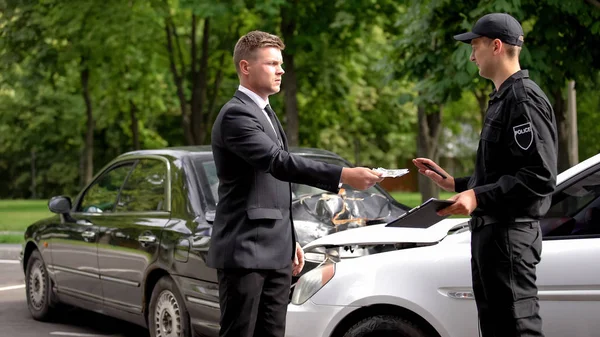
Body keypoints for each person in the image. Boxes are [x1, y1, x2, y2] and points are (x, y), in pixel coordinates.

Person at [208, 30, 384, 337]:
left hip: (276, 251)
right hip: (246, 251)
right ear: (246, 67)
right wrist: (343, 175)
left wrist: (290, 240)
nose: (281, 70)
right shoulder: (236, 114)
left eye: (281, 63)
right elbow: (278, 163)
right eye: (272, 63)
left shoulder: (265, 111)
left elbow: (272, 188)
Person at [413, 13, 557, 337]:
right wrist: (456, 184)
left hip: (509, 238)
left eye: (474, 45)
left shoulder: (523, 98)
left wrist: (478, 196)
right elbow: (504, 172)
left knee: (517, 330)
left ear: (495, 46)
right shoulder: (503, 98)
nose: (471, 54)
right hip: (492, 238)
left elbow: (540, 176)